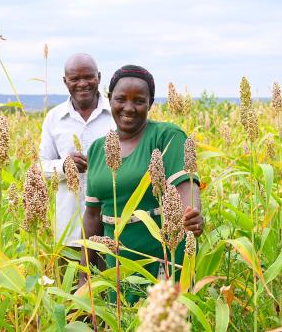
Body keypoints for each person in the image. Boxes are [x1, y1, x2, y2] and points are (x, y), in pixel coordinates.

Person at [80, 65, 203, 300]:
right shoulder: (98, 148)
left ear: (150, 103)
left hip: (163, 259)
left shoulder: (166, 136)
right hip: (115, 263)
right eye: (120, 99)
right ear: (109, 99)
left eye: (139, 100)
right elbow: (93, 216)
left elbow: (186, 187)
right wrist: (84, 276)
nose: (129, 107)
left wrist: (192, 214)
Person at [39, 53, 115, 249]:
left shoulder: (117, 114)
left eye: (88, 77)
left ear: (99, 77)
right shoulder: (54, 118)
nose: (82, 83)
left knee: (112, 278)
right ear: (65, 82)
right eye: (75, 79)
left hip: (111, 227)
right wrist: (65, 166)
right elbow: (41, 167)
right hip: (69, 228)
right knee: (70, 279)